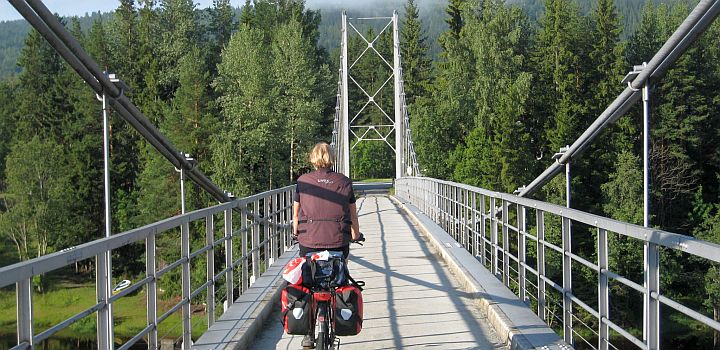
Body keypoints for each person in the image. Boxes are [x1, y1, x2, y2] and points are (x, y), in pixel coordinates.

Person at [292, 142, 360, 349]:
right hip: (338, 242)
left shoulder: (302, 181)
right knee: (340, 272)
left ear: (312, 158)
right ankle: (337, 308)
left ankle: (307, 332)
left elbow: (295, 215)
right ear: (332, 158)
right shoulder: (344, 181)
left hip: (308, 242)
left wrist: (296, 232)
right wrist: (355, 234)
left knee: (306, 281)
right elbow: (353, 215)